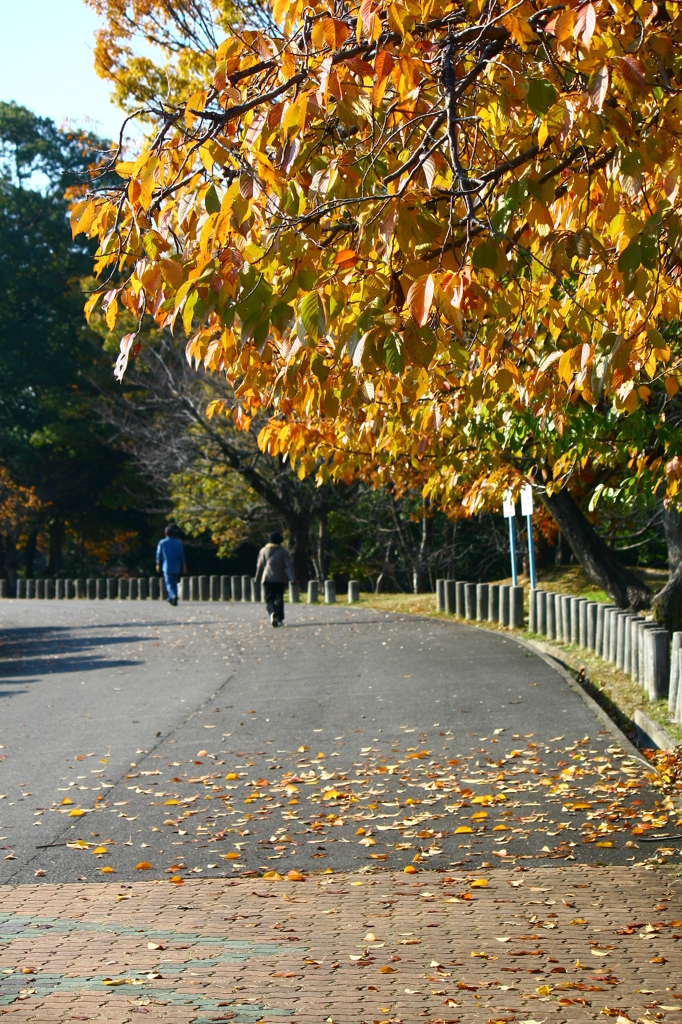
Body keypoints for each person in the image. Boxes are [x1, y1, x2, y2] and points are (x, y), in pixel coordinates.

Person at [255, 531, 295, 627]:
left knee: (269, 599)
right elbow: (288, 566)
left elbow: (260, 566)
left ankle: (272, 612)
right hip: (280, 579)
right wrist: (292, 578)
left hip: (267, 579)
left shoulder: (263, 551)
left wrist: (257, 578)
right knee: (279, 598)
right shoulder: (283, 552)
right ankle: (280, 618)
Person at [155, 525, 186, 606]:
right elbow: (182, 555)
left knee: (169, 583)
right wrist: (184, 565)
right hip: (176, 566)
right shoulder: (178, 543)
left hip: (167, 566)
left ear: (165, 533)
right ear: (173, 533)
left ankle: (173, 596)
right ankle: (171, 598)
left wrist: (158, 564)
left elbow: (158, 554)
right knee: (174, 582)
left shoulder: (162, 542)